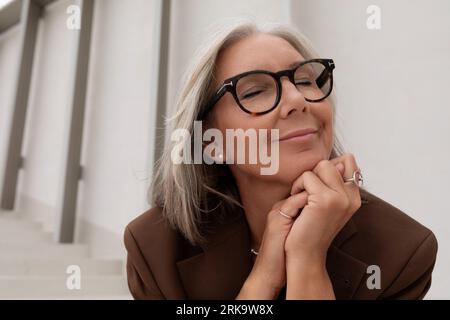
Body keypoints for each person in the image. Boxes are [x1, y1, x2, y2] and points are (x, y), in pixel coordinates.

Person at [124, 22, 438, 299]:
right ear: (211, 142)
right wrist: (263, 280)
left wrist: (307, 257)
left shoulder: (402, 252)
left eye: (304, 80)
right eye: (254, 91)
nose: (298, 100)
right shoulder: (156, 249)